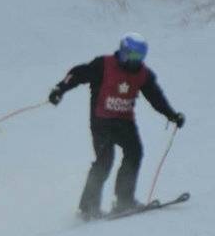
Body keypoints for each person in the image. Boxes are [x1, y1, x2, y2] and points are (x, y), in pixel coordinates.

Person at [47, 33, 185, 220]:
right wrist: (59, 89)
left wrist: (172, 115)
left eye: (140, 57)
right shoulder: (103, 65)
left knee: (135, 152)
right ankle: (88, 208)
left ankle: (124, 201)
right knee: (105, 160)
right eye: (134, 56)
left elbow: (155, 97)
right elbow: (78, 74)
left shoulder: (143, 74)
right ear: (124, 52)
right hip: (101, 121)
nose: (136, 61)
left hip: (124, 121)